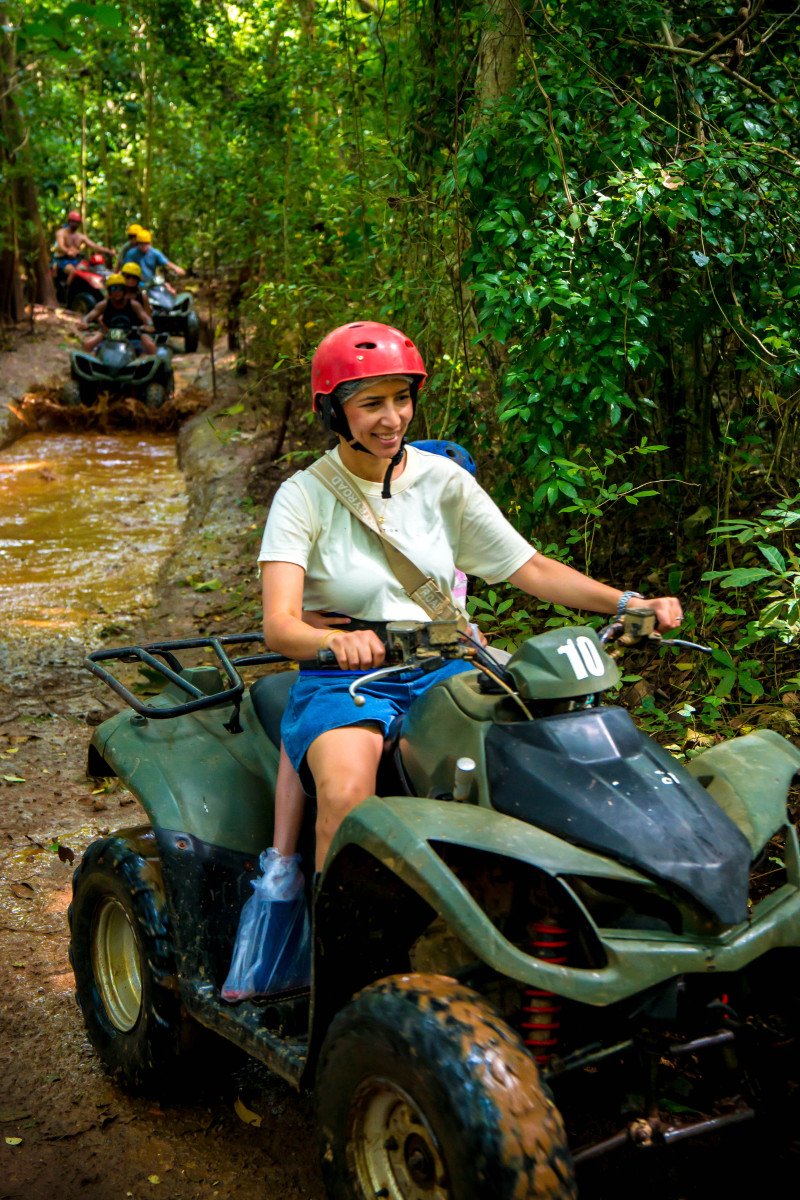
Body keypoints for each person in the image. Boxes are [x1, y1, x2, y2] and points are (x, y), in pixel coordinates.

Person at [260, 321, 683, 875]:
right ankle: (338, 926)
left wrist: (627, 604)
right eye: (371, 404)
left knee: (533, 762)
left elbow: (530, 567)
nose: (392, 418)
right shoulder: (302, 496)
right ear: (334, 412)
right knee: (345, 797)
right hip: (348, 679)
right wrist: (336, 642)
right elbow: (280, 624)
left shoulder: (444, 481)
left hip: (447, 664)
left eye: (401, 398)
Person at [78, 273, 156, 355]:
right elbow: (89, 316)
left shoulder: (134, 304)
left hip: (132, 337)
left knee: (150, 346)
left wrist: (149, 325)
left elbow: (146, 317)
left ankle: (154, 362)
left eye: (120, 289)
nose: (117, 292)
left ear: (124, 290)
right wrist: (84, 322)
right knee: (88, 344)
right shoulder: (104, 304)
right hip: (107, 335)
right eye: (113, 288)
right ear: (109, 291)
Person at [54, 210, 112, 283]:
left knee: (88, 270)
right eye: (73, 221)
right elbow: (60, 246)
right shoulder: (61, 233)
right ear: (69, 221)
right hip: (64, 260)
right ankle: (68, 288)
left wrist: (108, 251)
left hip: (77, 260)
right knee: (73, 271)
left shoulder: (80, 236)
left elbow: (94, 246)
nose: (75, 224)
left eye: (77, 222)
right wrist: (67, 251)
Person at [120, 228, 185, 286]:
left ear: (150, 243)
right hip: (135, 283)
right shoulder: (131, 253)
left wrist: (177, 268)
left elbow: (166, 262)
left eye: (146, 243)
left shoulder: (155, 253)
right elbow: (125, 269)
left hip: (151, 283)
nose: (143, 246)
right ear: (138, 243)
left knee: (167, 287)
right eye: (141, 243)